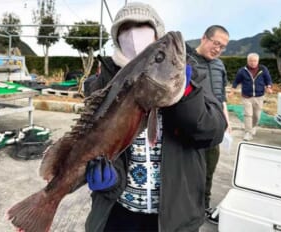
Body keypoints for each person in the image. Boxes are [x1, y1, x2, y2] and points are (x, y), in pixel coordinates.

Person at [83, 2, 228, 231]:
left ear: (157, 33)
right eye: (125, 28)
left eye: (143, 26)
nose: (133, 34)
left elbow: (213, 131)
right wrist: (108, 182)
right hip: (119, 212)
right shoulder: (100, 85)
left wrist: (186, 92)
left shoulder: (192, 76)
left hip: (175, 217)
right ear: (116, 36)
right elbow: (94, 147)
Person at [189, 25, 230, 224]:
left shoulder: (219, 66)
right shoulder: (186, 61)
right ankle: (186, 206)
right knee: (188, 170)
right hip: (190, 129)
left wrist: (226, 119)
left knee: (209, 170)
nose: (218, 49)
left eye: (222, 47)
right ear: (204, 38)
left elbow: (222, 96)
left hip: (214, 129)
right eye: (216, 43)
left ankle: (203, 206)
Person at [229, 52, 273, 141]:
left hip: (259, 96)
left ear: (258, 61)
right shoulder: (242, 70)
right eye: (251, 61)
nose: (253, 62)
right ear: (247, 61)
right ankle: (248, 132)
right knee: (248, 115)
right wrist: (232, 91)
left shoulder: (263, 69)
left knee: (257, 116)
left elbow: (268, 79)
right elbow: (236, 81)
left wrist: (268, 87)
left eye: (255, 61)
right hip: (246, 96)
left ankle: (253, 127)